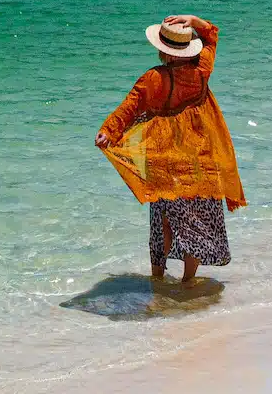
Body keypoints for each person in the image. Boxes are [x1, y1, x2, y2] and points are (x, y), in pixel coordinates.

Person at [94, 14, 246, 283]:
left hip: (164, 159)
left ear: (162, 50)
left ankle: (157, 279)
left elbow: (129, 107)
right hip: (199, 157)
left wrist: (108, 131)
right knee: (196, 221)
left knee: (163, 220)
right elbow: (211, 36)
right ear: (188, 48)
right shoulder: (202, 71)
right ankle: (188, 281)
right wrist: (193, 20)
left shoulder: (152, 79)